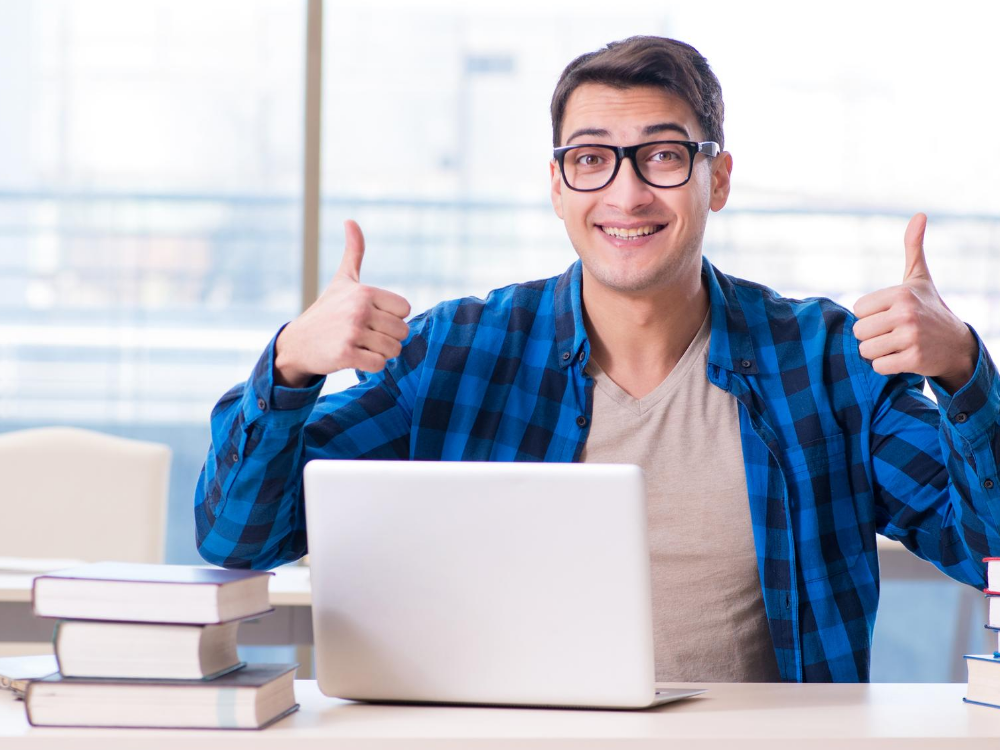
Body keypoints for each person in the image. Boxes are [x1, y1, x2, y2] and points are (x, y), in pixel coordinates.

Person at [195, 36, 1000, 683]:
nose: (625, 195)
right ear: (557, 185)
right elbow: (238, 537)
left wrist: (963, 371)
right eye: (591, 159)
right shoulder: (458, 354)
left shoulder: (826, 362)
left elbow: (986, 553)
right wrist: (292, 366)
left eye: (662, 156)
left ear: (715, 180)